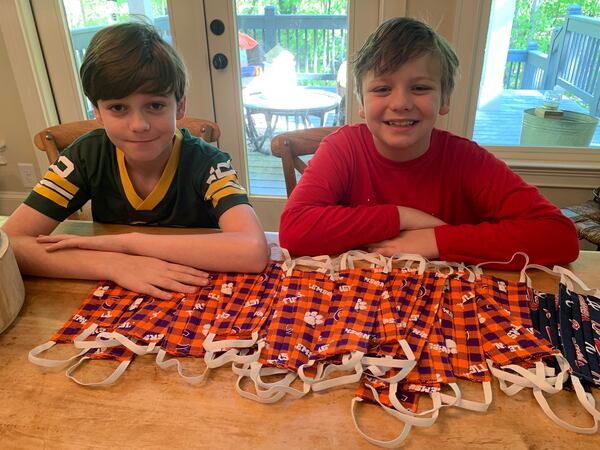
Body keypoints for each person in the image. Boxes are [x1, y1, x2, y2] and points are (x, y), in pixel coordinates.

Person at [279, 17, 579, 267]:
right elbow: (294, 232)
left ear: (444, 99)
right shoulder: (343, 148)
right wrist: (402, 216)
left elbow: (559, 236)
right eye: (382, 88)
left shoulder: (466, 160)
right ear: (361, 102)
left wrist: (435, 240)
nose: (400, 103)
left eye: (420, 87)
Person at [2, 21, 269, 299]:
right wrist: (113, 263)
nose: (139, 124)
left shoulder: (208, 162)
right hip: (113, 294)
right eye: (118, 108)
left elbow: (252, 249)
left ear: (179, 106)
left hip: (194, 293)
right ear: (98, 112)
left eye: (155, 105)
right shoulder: (84, 156)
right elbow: (11, 243)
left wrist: (127, 244)